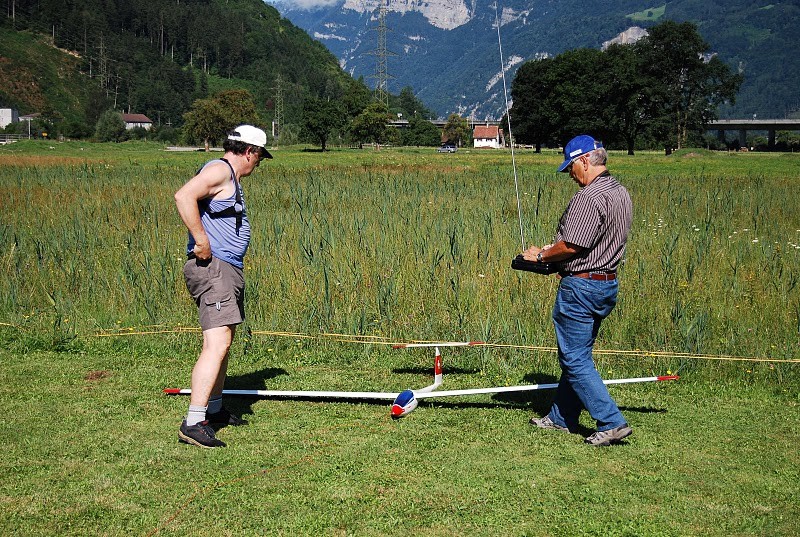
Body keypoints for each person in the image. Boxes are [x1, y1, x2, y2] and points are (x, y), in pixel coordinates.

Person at [522, 134, 633, 447]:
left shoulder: (588, 197)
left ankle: (611, 422)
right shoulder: (620, 192)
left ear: (584, 160)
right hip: (606, 284)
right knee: (578, 354)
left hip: (582, 287)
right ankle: (562, 416)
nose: (569, 173)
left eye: (570, 166)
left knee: (574, 358)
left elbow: (572, 245)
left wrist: (541, 255)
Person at [174, 125, 272, 448]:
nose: (258, 163)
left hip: (227, 269)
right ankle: (193, 422)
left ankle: (214, 410)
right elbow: (183, 196)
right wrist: (201, 241)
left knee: (224, 342)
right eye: (260, 157)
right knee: (216, 344)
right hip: (214, 268)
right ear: (250, 152)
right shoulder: (220, 170)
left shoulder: (229, 177)